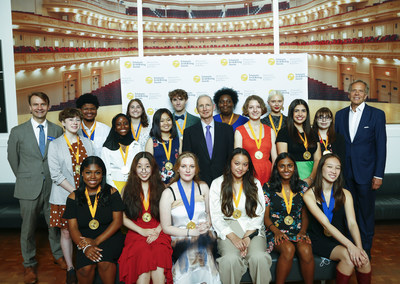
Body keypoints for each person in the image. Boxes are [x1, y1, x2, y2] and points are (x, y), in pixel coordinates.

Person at [7, 92, 65, 283]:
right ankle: (29, 264)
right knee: (28, 228)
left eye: (43, 104)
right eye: (35, 104)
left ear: (48, 106)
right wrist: (26, 177)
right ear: (30, 107)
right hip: (28, 187)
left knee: (54, 225)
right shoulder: (17, 131)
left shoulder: (57, 130)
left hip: (53, 186)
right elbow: (13, 160)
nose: (39, 107)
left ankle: (58, 255)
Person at [335, 80, 387, 256]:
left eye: (361, 91)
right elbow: (337, 145)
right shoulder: (340, 115)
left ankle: (365, 250)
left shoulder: (377, 115)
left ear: (366, 95)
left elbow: (381, 146)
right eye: (354, 91)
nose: (357, 94)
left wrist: (378, 174)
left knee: (365, 214)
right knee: (347, 213)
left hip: (366, 175)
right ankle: (351, 249)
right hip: (345, 175)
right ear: (348, 94)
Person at [303, 154, 371, 283]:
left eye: (337, 168)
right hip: (318, 239)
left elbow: (352, 224)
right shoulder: (309, 195)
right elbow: (326, 225)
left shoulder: (346, 194)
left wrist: (359, 248)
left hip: (340, 238)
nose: (334, 171)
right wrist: (350, 246)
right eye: (329, 167)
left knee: (364, 259)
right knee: (348, 257)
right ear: (321, 168)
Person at [209, 148, 272, 284]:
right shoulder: (217, 183)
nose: (240, 168)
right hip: (228, 228)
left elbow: (259, 213)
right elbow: (216, 217)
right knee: (230, 260)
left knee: (259, 257)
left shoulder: (255, 183)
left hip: (252, 229)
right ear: (230, 163)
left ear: (248, 166)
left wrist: (247, 237)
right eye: (237, 163)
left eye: (245, 164)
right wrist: (234, 238)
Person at [48, 108, 94, 283]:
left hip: (88, 195)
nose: (75, 122)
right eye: (70, 119)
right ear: (63, 123)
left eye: (77, 119)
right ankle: (70, 268)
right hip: (63, 196)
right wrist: (76, 193)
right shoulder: (55, 145)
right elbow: (56, 175)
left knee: (85, 229)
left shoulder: (87, 143)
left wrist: (88, 192)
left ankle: (84, 262)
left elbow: (94, 169)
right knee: (66, 232)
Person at [160, 152, 221, 284]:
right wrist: (189, 232)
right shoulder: (168, 193)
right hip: (179, 236)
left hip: (204, 233)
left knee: (203, 244)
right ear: (177, 168)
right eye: (184, 166)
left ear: (196, 169)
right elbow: (165, 227)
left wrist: (208, 224)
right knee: (195, 248)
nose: (188, 170)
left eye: (192, 166)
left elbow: (211, 215)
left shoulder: (203, 187)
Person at [63, 156, 124, 284]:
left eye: (97, 172)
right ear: (82, 174)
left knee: (105, 264)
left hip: (109, 236)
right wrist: (86, 247)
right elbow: (72, 228)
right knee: (86, 269)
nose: (92, 177)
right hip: (84, 239)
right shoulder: (73, 197)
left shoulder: (112, 193)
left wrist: (95, 242)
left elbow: (117, 222)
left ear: (103, 174)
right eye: (88, 172)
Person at [119, 152, 172, 284]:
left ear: (153, 168)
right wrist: (141, 231)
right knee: (143, 253)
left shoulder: (163, 188)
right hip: (136, 231)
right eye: (139, 166)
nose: (144, 170)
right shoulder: (126, 189)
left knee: (159, 252)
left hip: (159, 230)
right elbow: (122, 218)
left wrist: (158, 230)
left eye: (147, 166)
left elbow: (169, 214)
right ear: (134, 169)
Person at [263, 153, 314, 284]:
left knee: (306, 250)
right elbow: (265, 217)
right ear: (276, 169)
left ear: (294, 168)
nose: (286, 170)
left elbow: (305, 215)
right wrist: (276, 231)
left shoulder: (303, 186)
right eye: (282, 166)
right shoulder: (268, 187)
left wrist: (303, 231)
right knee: (288, 249)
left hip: (297, 230)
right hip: (275, 231)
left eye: (290, 166)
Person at [183, 95, 234, 186]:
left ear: (213, 107)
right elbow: (187, 159)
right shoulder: (189, 132)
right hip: (199, 182)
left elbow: (231, 156)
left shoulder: (227, 130)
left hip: (224, 182)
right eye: (201, 106)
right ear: (197, 109)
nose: (205, 109)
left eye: (208, 105)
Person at [276, 99, 321, 186]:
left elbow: (318, 159)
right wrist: (297, 179)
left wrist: (311, 178)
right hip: (291, 176)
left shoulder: (313, 133)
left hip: (313, 176)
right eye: (296, 111)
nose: (300, 114)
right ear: (291, 113)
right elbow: (283, 159)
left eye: (303, 111)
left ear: (307, 113)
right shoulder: (283, 132)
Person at [235, 95, 277, 185]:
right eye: (251, 107)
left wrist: (274, 177)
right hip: (248, 174)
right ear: (246, 110)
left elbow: (275, 158)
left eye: (258, 107)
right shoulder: (239, 131)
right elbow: (237, 159)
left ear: (262, 109)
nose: (255, 110)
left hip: (268, 173)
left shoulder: (270, 130)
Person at [101, 113, 140, 192]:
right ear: (114, 128)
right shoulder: (107, 148)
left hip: (134, 186)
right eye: (119, 124)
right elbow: (106, 172)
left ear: (129, 126)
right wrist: (114, 191)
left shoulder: (136, 145)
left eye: (126, 124)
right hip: (114, 186)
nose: (123, 127)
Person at [146, 108, 182, 184]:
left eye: (168, 120)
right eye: (161, 121)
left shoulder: (178, 141)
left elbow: (182, 164)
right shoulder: (151, 141)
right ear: (156, 123)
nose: (166, 123)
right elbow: (148, 165)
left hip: (177, 182)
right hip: (157, 183)